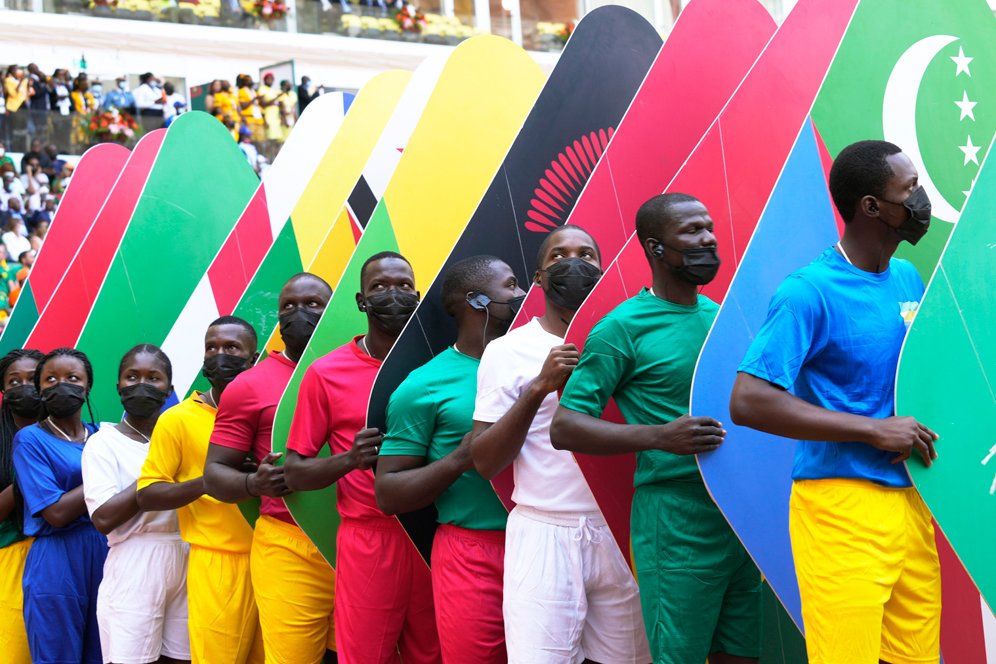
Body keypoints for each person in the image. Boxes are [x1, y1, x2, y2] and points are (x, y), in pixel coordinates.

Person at [729, 140, 941, 664]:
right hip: (841, 508)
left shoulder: (908, 278)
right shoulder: (809, 291)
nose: (920, 199)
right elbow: (748, 400)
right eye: (908, 189)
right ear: (871, 206)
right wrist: (871, 430)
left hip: (913, 500)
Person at [551, 195, 762, 663]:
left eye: (708, 228)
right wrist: (659, 436)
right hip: (674, 522)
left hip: (737, 515)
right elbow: (565, 427)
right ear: (655, 247)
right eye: (691, 231)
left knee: (742, 654)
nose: (707, 238)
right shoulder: (621, 328)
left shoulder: (725, 319)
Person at [470, 225, 650, 663]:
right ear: (538, 277)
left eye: (587, 255)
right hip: (543, 529)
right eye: (559, 256)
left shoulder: (627, 336)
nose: (574, 263)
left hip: (619, 525)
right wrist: (539, 389)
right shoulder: (508, 351)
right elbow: (484, 460)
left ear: (603, 269)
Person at [284, 252, 441, 663]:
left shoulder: (439, 363)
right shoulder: (325, 372)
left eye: (404, 286)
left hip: (431, 531)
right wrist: (349, 459)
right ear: (360, 300)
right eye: (380, 287)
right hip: (368, 540)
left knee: (435, 654)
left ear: (419, 294)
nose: (393, 294)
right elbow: (295, 473)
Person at [376, 255, 524, 663]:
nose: (522, 294)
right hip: (472, 555)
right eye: (510, 286)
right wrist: (459, 460)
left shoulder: (539, 363)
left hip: (545, 541)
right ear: (477, 301)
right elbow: (388, 493)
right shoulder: (423, 385)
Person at [204, 273, 338, 663]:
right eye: (288, 307)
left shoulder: (365, 366)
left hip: (359, 540)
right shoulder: (248, 386)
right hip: (287, 546)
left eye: (313, 304)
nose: (299, 314)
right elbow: (215, 474)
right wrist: (253, 482)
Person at [137, 317, 264, 664]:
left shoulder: (272, 409)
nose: (220, 355)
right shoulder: (177, 419)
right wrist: (210, 481)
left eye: (232, 348)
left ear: (253, 359)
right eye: (212, 348)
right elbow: (147, 493)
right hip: (217, 561)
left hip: (274, 555)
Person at [82, 344, 190, 664]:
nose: (141, 384)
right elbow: (103, 519)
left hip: (187, 554)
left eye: (153, 377)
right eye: (132, 377)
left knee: (182, 658)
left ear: (169, 389)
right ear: (118, 387)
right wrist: (155, 472)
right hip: (135, 559)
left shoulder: (179, 437)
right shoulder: (102, 443)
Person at [12, 347, 106, 663]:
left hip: (106, 554)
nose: (61, 384)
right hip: (57, 558)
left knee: (102, 653)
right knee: (57, 655)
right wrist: (106, 478)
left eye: (72, 377)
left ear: (88, 386)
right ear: (40, 390)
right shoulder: (30, 440)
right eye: (50, 379)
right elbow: (56, 513)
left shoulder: (103, 436)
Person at [0, 348, 45, 664]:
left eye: (33, 379)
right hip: (10, 559)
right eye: (14, 381)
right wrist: (29, 476)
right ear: (3, 391)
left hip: (64, 554)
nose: (25, 386)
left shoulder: (75, 434)